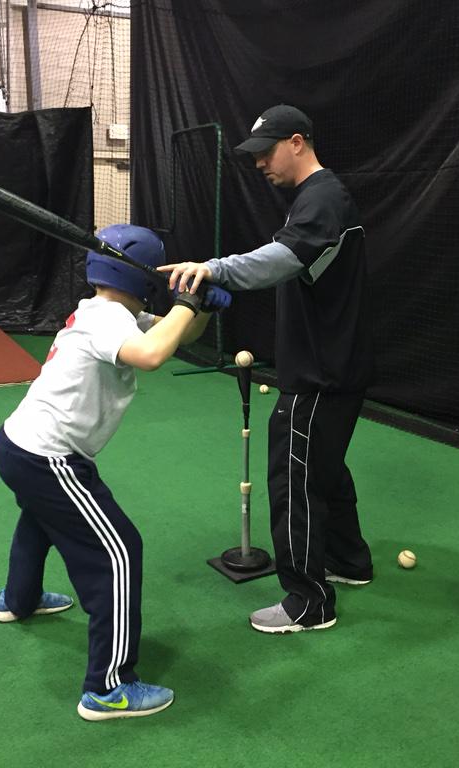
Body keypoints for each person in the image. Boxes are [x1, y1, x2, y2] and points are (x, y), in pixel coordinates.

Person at [0, 224, 230, 720]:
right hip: (49, 456)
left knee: (41, 519)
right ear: (143, 275)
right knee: (119, 551)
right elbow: (152, 355)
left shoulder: (113, 312)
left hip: (19, 445)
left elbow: (174, 333)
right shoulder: (107, 322)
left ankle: (19, 599)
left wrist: (199, 308)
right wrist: (186, 303)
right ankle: (108, 686)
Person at [160, 104, 374, 634]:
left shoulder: (322, 197)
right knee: (323, 467)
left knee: (294, 476)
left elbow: (280, 259)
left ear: (297, 142)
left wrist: (214, 268)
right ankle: (348, 561)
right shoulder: (318, 198)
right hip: (336, 365)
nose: (259, 164)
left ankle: (308, 600)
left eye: (266, 152)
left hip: (320, 372)